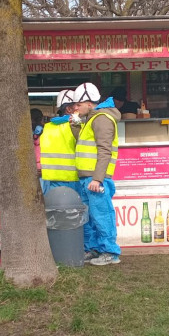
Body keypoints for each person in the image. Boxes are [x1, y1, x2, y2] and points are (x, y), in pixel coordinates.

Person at [73, 82, 122, 266]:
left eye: (78, 104)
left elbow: (104, 151)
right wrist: (75, 124)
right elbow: (83, 143)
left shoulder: (101, 118)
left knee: (102, 215)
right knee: (92, 217)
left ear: (89, 103)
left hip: (95, 180)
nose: (75, 108)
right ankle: (95, 249)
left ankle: (110, 252)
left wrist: (97, 179)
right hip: (88, 178)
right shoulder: (92, 119)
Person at [39, 89, 80, 196]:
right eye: (77, 105)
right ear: (69, 109)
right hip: (73, 179)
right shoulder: (76, 126)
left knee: (55, 210)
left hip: (50, 179)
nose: (78, 108)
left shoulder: (47, 127)